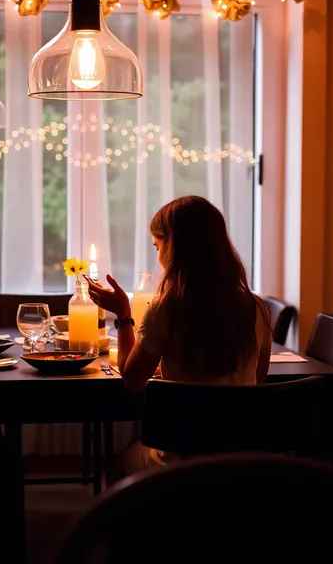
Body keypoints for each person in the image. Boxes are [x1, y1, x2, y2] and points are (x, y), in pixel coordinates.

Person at [86, 195, 272, 472]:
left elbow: (133, 381)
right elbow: (257, 382)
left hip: (180, 461)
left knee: (121, 462)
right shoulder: (257, 308)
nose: (158, 256)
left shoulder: (166, 309)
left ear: (173, 248)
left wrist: (123, 314)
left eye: (157, 246)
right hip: (240, 458)